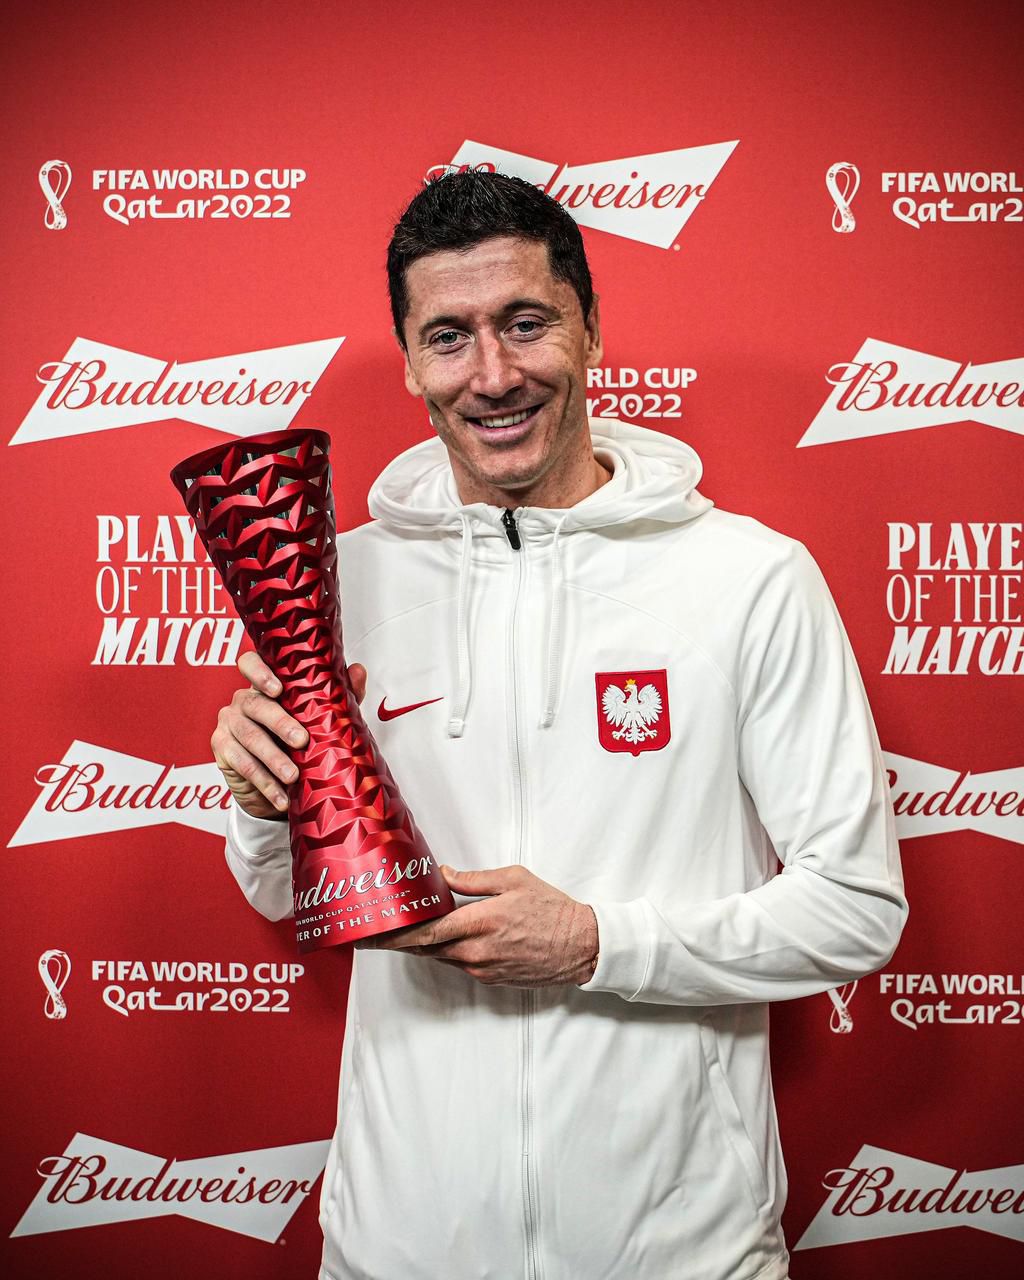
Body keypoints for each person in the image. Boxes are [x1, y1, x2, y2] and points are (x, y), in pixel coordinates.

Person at [211, 171, 908, 1280]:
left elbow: (856, 909)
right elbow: (286, 891)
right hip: (398, 1252)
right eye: (449, 336)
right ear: (406, 360)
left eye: (524, 322)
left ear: (589, 328)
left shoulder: (749, 578)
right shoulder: (338, 581)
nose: (492, 374)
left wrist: (598, 944)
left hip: (683, 1254)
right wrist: (260, 810)